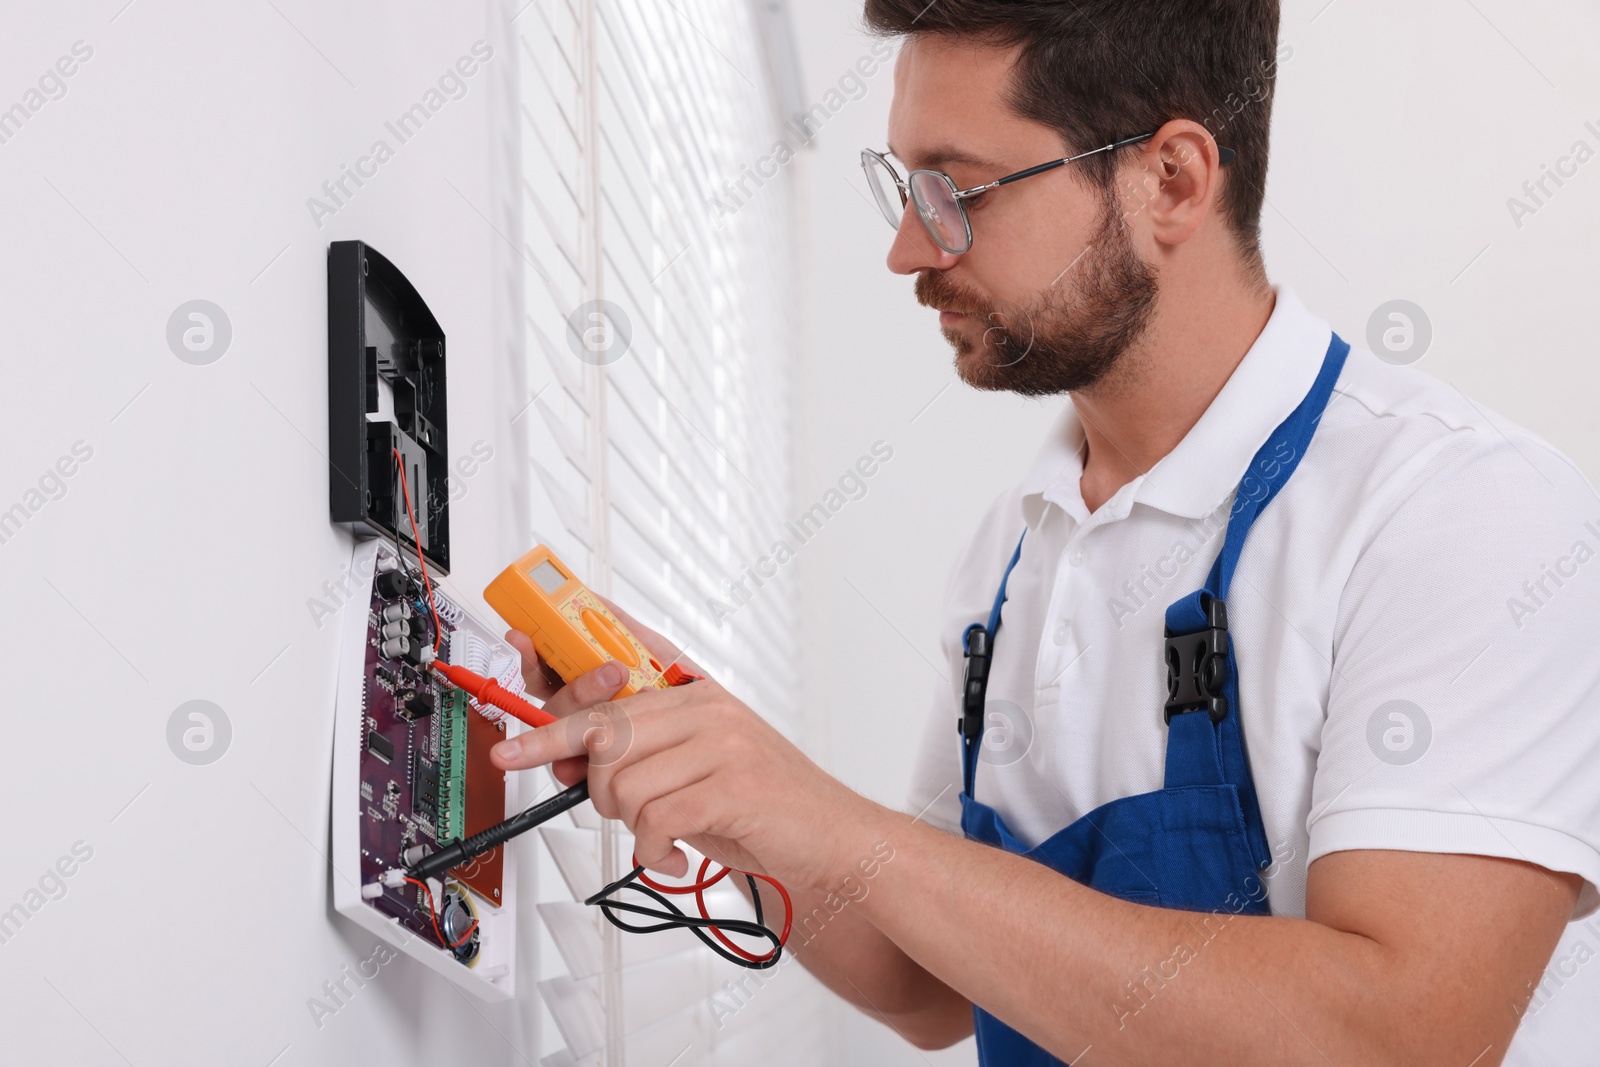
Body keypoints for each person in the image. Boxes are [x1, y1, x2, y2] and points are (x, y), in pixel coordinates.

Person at [491, 2, 1600, 1063]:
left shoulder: (1454, 510)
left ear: (1170, 180)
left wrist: (829, 823)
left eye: (958, 191)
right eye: (904, 186)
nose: (909, 253)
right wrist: (730, 778)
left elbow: (1398, 1041)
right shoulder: (1015, 554)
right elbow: (928, 984)